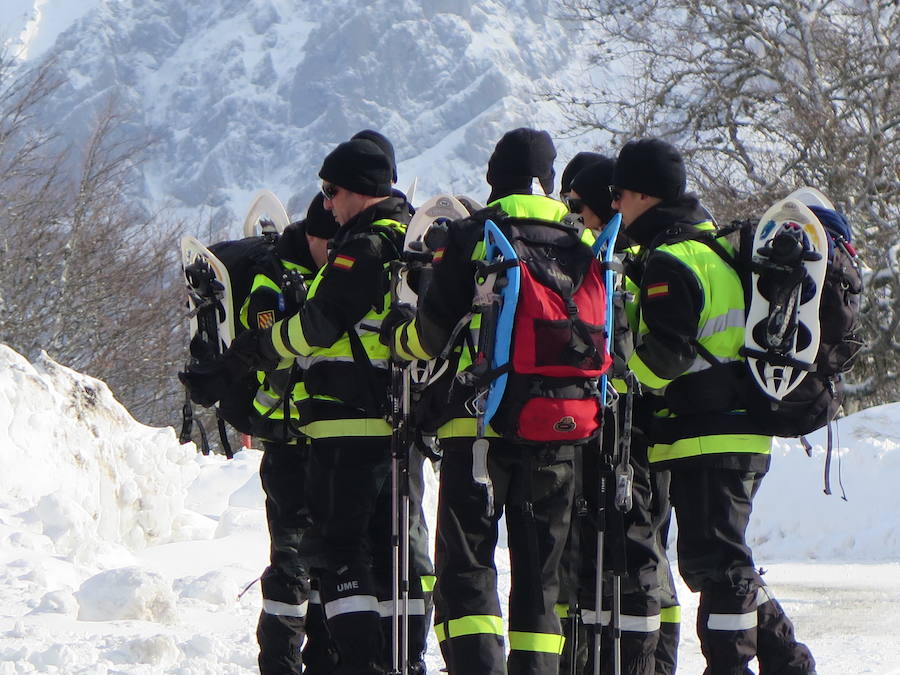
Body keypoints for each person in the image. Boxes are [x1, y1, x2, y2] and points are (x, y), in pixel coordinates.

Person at [383, 127, 592, 675]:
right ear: (548, 180)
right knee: (541, 576)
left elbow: (431, 336)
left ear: (493, 179)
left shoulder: (475, 234)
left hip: (475, 431)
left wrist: (397, 337)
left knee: (468, 570)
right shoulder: (582, 244)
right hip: (559, 429)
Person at [611, 137, 816, 675]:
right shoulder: (712, 246)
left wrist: (619, 367)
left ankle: (733, 667)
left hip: (708, 432)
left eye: (620, 194)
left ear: (644, 196)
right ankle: (788, 661)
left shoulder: (670, 261)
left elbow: (665, 360)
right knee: (718, 561)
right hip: (730, 428)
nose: (614, 206)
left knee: (718, 565)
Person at [221, 136, 423, 674]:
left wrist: (260, 348)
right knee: (397, 554)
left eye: (332, 191)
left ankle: (360, 663)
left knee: (340, 554)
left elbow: (319, 324)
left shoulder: (362, 246)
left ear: (358, 190)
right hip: (398, 425)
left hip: (347, 420)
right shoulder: (412, 238)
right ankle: (404, 660)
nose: (328, 204)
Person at [556, 157, 681, 675]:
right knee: (650, 558)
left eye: (577, 206)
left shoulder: (611, 267)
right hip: (651, 436)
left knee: (623, 561)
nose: (575, 219)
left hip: (625, 438)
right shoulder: (642, 255)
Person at [245, 194, 340, 675]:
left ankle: (324, 660)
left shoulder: (334, 272)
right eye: (329, 240)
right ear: (312, 236)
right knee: (291, 564)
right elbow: (269, 343)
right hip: (287, 441)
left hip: (331, 442)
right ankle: (280, 665)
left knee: (328, 562)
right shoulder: (273, 278)